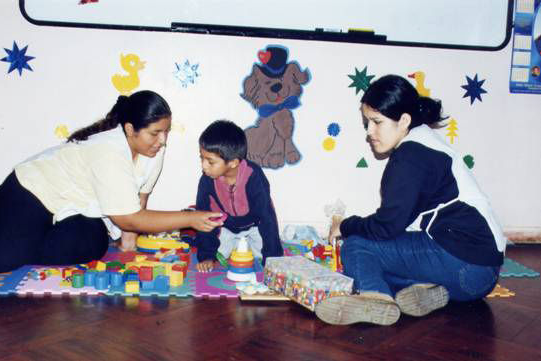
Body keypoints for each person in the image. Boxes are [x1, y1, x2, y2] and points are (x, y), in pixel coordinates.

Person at [315, 75, 506, 326]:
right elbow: (401, 224)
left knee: (358, 245)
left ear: (404, 120)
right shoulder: (424, 140)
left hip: (463, 263)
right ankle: (429, 290)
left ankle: (376, 299)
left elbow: (386, 227)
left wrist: (347, 225)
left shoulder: (410, 157)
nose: (369, 132)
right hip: (479, 278)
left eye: (376, 122)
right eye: (367, 123)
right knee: (377, 262)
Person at [0, 90, 222, 274]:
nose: (162, 140)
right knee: (9, 255)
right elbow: (128, 217)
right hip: (25, 194)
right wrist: (191, 218)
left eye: (166, 132)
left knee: (93, 242)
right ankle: (14, 247)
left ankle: (24, 245)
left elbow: (138, 203)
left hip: (63, 212)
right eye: (155, 133)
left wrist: (130, 246)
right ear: (130, 129)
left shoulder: (153, 152)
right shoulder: (109, 151)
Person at [194, 120, 283, 273]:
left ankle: (246, 246)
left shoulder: (253, 176)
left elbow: (267, 217)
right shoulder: (206, 181)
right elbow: (204, 219)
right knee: (217, 253)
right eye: (201, 158)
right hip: (226, 228)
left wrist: (272, 260)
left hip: (254, 226)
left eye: (210, 161)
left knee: (266, 255)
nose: (203, 165)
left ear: (233, 163)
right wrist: (207, 257)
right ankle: (235, 247)